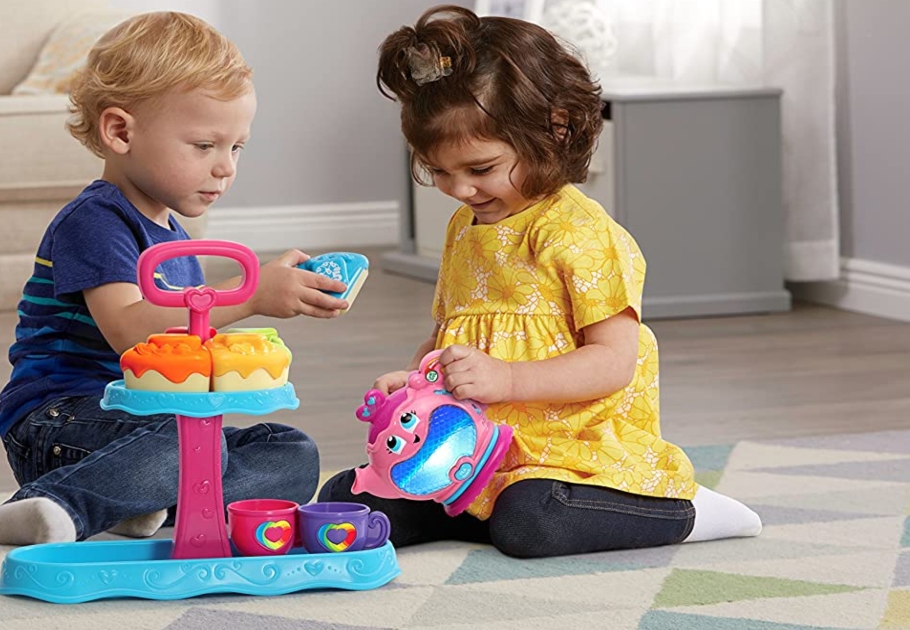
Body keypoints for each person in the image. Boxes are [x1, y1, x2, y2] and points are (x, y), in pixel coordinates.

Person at [318, 5, 762, 558]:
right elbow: (449, 334)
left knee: (534, 522)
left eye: (479, 169)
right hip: (472, 443)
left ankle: (683, 511)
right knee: (349, 496)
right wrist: (414, 383)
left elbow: (614, 362)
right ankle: (478, 506)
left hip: (566, 450)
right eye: (438, 171)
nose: (457, 189)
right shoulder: (465, 228)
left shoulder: (579, 234)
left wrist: (508, 380)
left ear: (553, 130)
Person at [0, 12, 350, 546]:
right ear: (120, 131)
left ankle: (136, 500)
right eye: (205, 145)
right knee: (176, 446)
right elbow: (132, 330)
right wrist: (249, 294)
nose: (225, 166)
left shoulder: (175, 236)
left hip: (149, 421)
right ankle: (54, 505)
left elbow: (186, 340)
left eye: (236, 147)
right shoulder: (94, 222)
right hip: (61, 422)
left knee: (292, 452)